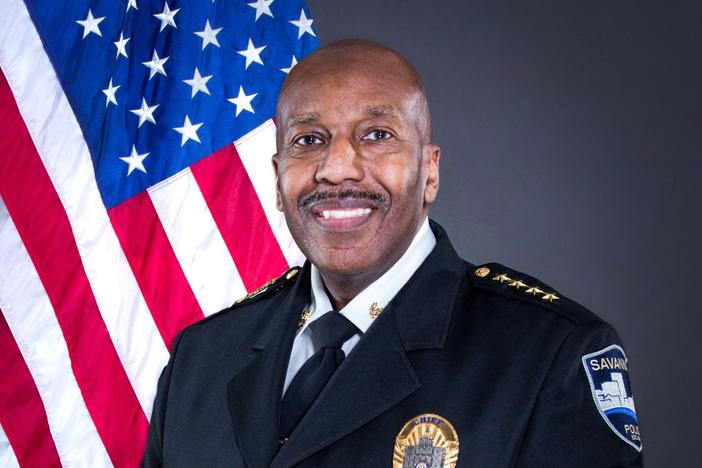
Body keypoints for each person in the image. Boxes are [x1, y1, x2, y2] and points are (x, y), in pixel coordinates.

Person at [142, 39, 643, 467]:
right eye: (309, 140)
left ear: (430, 172)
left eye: (377, 135)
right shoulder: (201, 360)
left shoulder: (547, 355)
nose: (336, 169)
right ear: (277, 178)